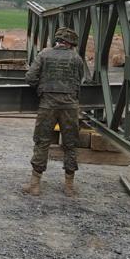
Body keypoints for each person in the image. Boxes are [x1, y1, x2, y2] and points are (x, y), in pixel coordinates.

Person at [22, 27, 86, 197]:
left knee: (42, 142)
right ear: (71, 43)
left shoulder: (44, 54)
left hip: (47, 105)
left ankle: (34, 185)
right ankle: (69, 188)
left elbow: (30, 78)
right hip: (70, 107)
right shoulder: (77, 58)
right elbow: (80, 81)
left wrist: (42, 87)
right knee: (70, 144)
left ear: (57, 40)